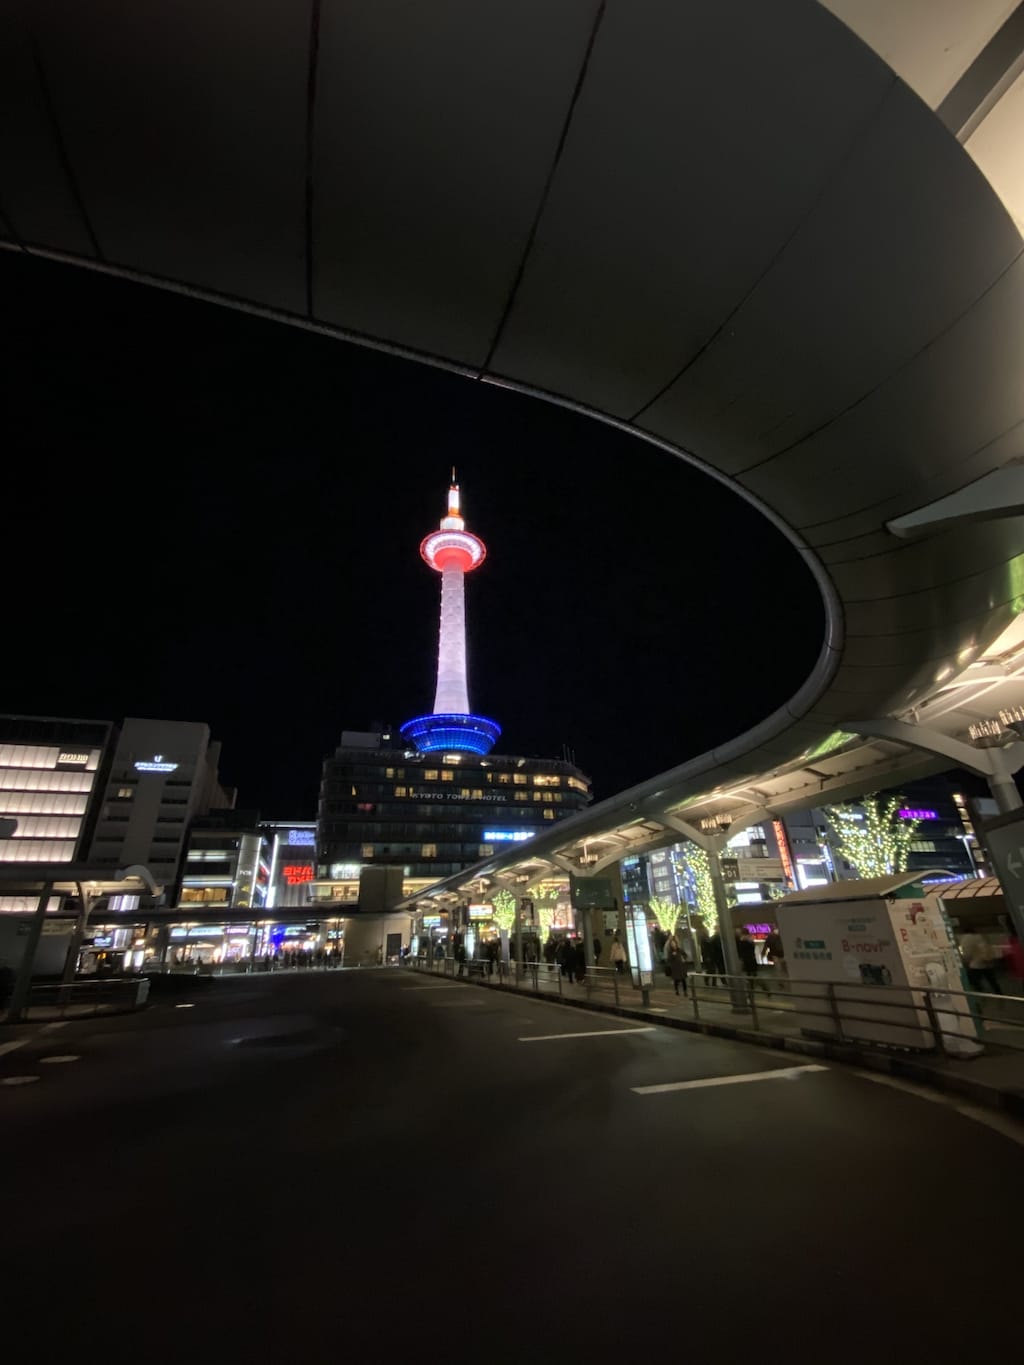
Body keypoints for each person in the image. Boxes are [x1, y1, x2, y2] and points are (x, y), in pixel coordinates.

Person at [958, 929, 1002, 995]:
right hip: (986, 962)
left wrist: (966, 959)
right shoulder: (980, 936)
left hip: (975, 964)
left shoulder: (965, 939)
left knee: (975, 981)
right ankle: (999, 993)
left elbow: (966, 953)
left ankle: (981, 993)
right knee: (992, 981)